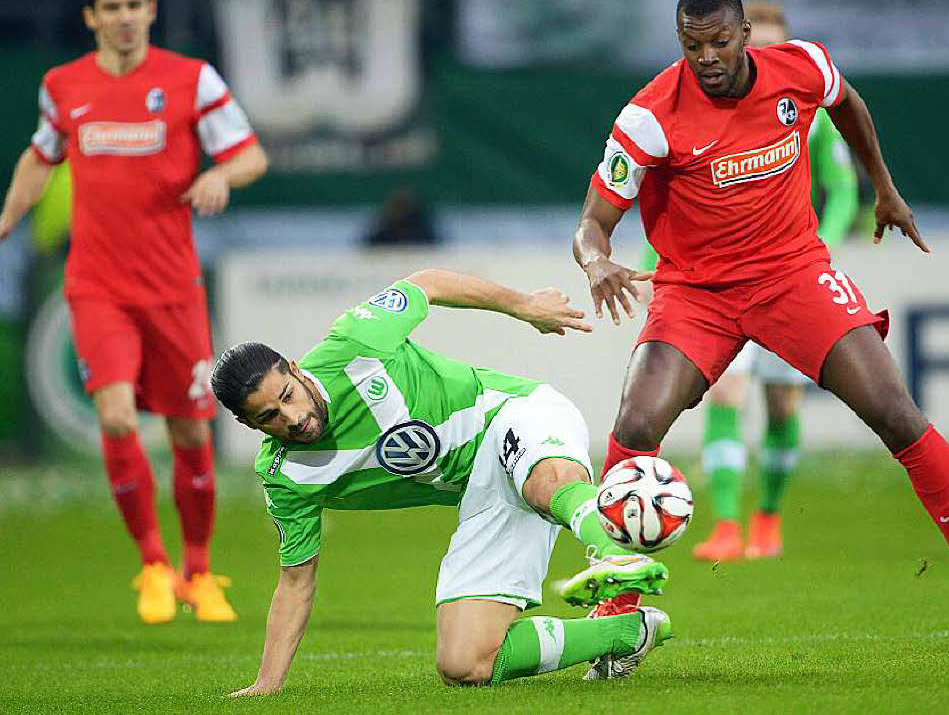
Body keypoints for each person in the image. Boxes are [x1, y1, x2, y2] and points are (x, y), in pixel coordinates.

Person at [571, 0, 949, 665]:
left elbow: (850, 105)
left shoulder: (802, 68)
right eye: (692, 46)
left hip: (792, 276)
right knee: (635, 424)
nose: (707, 58)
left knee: (898, 415)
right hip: (698, 292)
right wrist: (595, 262)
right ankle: (619, 603)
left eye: (719, 42)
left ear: (746, 32)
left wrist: (885, 188)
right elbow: (591, 224)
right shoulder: (649, 116)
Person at [211, 270, 673, 694]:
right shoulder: (285, 476)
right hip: (482, 493)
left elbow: (427, 283)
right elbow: (295, 581)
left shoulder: (354, 342)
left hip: (512, 413)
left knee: (543, 485)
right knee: (464, 663)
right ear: (249, 424)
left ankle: (613, 555)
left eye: (288, 396)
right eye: (269, 416)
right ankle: (629, 631)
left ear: (294, 368)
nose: (293, 418)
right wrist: (267, 683)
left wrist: (524, 305)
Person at [0, 0, 268, 623]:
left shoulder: (190, 80)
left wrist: (220, 176)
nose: (124, 18)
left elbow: (251, 154)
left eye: (134, 5)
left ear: (151, 9)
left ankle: (200, 570)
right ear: (91, 17)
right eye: (111, 7)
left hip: (173, 287)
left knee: (188, 431)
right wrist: (6, 217)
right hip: (96, 285)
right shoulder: (64, 86)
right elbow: (41, 155)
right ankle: (152, 562)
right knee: (116, 417)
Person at [686, 0, 860, 562]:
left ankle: (768, 517)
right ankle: (728, 526)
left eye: (777, 46)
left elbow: (844, 187)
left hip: (788, 279)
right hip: (724, 282)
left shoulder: (807, 109)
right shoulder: (706, 112)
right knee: (726, 394)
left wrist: (819, 248)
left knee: (782, 405)